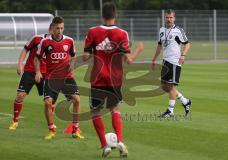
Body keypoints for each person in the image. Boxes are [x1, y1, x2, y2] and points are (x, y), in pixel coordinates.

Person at [82, 2, 143, 158]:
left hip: (97, 78)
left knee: (95, 111)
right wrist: (138, 50)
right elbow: (128, 60)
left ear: (102, 15)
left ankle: (105, 146)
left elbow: (86, 57)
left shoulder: (93, 32)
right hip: (115, 79)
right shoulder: (122, 34)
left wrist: (92, 53)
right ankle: (120, 141)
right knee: (114, 109)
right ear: (115, 15)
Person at [35, 16, 84, 140]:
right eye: (57, 28)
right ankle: (51, 129)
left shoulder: (69, 41)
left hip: (67, 77)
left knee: (77, 100)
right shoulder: (45, 42)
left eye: (62, 28)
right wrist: (37, 72)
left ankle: (75, 129)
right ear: (53, 28)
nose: (60, 31)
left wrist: (71, 66)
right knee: (47, 102)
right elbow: (37, 58)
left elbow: (73, 56)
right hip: (51, 78)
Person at [8, 24, 53, 130]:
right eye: (55, 29)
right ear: (50, 30)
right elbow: (25, 50)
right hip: (29, 71)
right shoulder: (36, 38)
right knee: (20, 95)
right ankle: (15, 121)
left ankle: (51, 124)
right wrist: (20, 64)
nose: (57, 32)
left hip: (46, 74)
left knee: (50, 100)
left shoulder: (57, 43)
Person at [152, 9, 192, 118]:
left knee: (170, 86)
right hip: (165, 62)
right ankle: (185, 101)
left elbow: (187, 44)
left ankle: (170, 111)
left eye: (171, 17)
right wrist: (154, 59)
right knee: (164, 86)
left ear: (174, 18)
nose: (169, 19)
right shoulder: (161, 30)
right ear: (165, 18)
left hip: (174, 62)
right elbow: (159, 45)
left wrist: (183, 55)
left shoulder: (178, 30)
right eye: (167, 17)